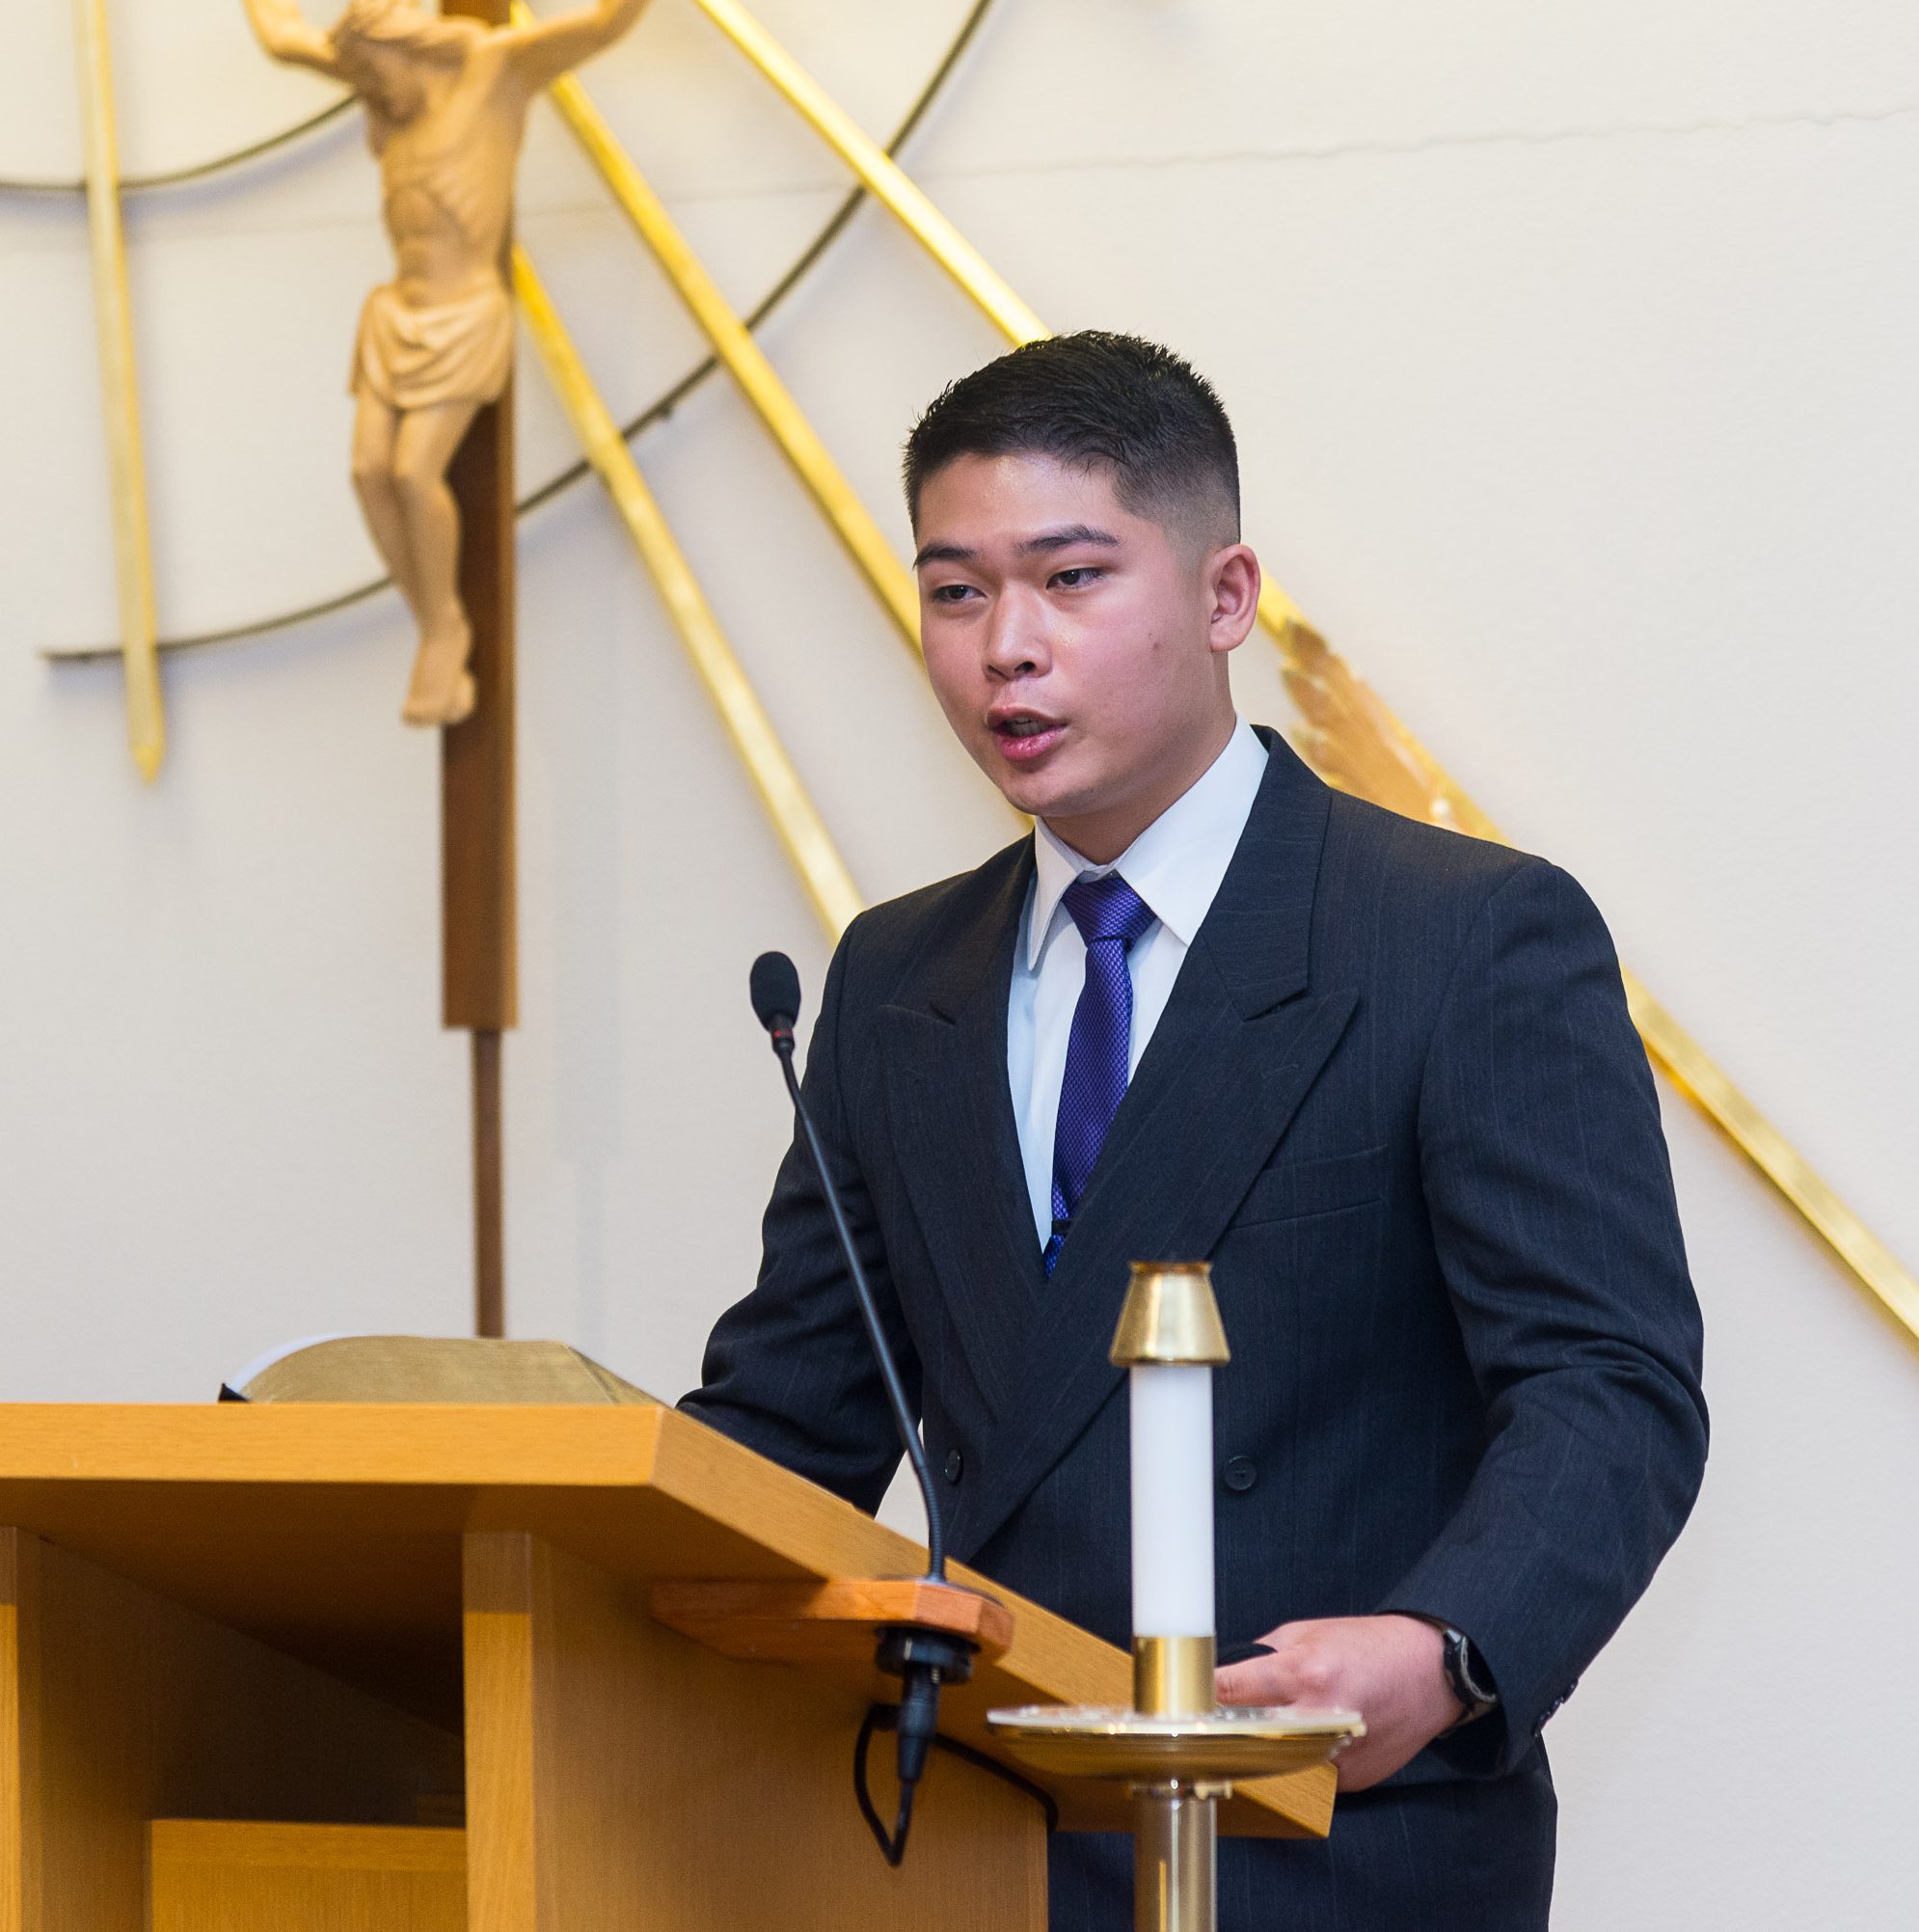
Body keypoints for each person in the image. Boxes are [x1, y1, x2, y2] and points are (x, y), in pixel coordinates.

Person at [682, 332, 1707, 1929]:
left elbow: (1609, 1383)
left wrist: (1444, 1646)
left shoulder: (1459, 934)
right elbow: (789, 1421)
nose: (1005, 648)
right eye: (954, 591)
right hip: (980, 1844)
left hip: (1329, 1831)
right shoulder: (895, 975)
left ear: (1226, 595)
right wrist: (514, 1522)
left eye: (1070, 578)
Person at [242, 0, 649, 725]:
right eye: (361, 79)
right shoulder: (380, 82)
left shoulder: (493, 74)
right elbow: (281, 39)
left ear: (407, 49)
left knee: (412, 471)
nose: (370, 93)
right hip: (396, 314)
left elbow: (599, 27)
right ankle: (437, 620)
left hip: (464, 315)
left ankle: (442, 633)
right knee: (368, 471)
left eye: (376, 76)